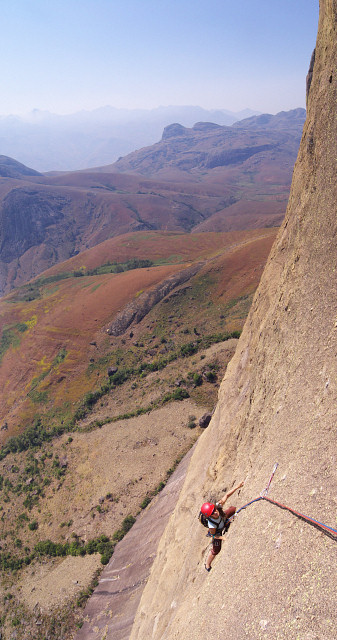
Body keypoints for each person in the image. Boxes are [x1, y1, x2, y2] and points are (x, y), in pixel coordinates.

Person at [201, 480, 244, 571]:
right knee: (216, 550)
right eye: (212, 513)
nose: (215, 512)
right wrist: (222, 538)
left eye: (214, 510)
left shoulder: (217, 507)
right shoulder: (211, 524)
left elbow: (226, 496)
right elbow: (214, 535)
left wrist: (237, 486)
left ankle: (226, 521)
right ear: (209, 515)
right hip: (218, 531)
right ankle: (207, 565)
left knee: (233, 509)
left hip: (223, 519)